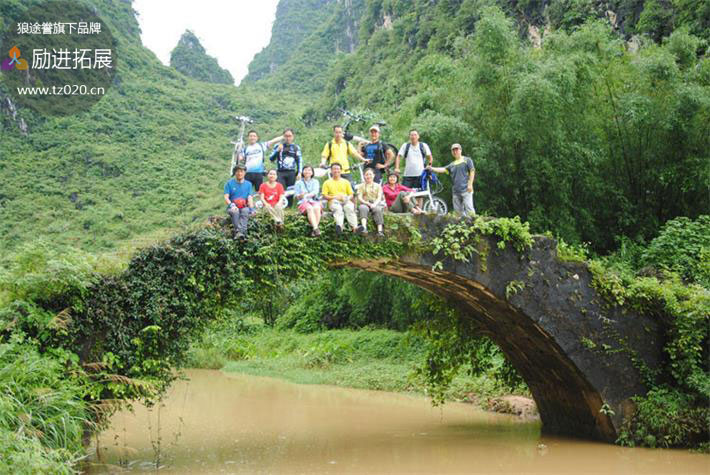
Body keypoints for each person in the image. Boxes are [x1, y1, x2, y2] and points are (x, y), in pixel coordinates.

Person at [427, 143, 476, 216]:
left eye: (457, 149)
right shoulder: (452, 164)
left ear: (460, 150)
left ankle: (474, 225)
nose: (455, 151)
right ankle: (461, 226)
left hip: (466, 190)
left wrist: (470, 184)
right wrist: (431, 168)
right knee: (458, 214)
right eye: (453, 150)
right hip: (456, 192)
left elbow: (472, 171)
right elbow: (443, 169)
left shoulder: (467, 160)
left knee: (469, 210)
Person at [395, 129, 433, 208]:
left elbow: (430, 157)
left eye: (415, 135)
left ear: (418, 136)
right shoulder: (406, 146)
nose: (413, 136)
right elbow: (398, 157)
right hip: (407, 175)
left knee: (420, 195)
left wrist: (429, 166)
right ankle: (409, 211)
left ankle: (419, 212)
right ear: (409, 136)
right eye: (411, 135)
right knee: (405, 194)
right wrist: (397, 168)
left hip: (420, 175)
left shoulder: (423, 145)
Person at [321, 163, 358, 235]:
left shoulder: (346, 182)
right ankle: (340, 227)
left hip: (345, 199)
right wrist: (335, 197)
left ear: (341, 171)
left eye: (338, 169)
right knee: (338, 209)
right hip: (333, 201)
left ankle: (355, 228)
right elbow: (324, 196)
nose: (336, 171)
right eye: (334, 169)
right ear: (331, 171)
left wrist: (347, 198)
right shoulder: (327, 182)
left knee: (349, 207)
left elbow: (351, 194)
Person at [224, 164, 255, 240]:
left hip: (244, 206)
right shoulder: (229, 183)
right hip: (233, 206)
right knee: (235, 211)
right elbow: (226, 197)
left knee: (245, 211)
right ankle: (240, 232)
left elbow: (250, 197)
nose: (239, 173)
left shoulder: (249, 184)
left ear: (244, 173)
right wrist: (232, 205)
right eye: (237, 171)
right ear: (235, 173)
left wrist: (252, 209)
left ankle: (239, 233)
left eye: (241, 171)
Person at [269, 128, 302, 198]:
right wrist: (277, 151)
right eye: (286, 136)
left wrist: (299, 172)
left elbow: (299, 161)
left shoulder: (296, 147)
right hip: (280, 172)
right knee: (281, 191)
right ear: (283, 136)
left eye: (289, 136)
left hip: (291, 172)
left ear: (293, 137)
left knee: (291, 192)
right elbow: (271, 159)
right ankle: (280, 206)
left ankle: (289, 207)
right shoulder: (278, 146)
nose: (288, 138)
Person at [294, 165, 323, 237]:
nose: (307, 171)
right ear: (302, 172)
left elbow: (315, 192)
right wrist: (301, 195)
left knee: (317, 208)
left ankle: (314, 230)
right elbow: (297, 197)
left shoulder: (315, 181)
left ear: (312, 172)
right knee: (309, 208)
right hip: (303, 202)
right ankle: (316, 228)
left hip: (313, 201)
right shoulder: (298, 183)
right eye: (305, 170)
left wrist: (307, 195)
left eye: (309, 170)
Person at [357, 168, 385, 237]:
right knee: (363, 208)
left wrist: (374, 204)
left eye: (370, 174)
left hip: (375, 203)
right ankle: (364, 228)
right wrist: (366, 203)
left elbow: (379, 197)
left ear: (374, 175)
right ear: (364, 176)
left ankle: (380, 231)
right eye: (366, 174)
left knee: (377, 209)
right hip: (365, 202)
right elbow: (359, 197)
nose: (368, 176)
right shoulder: (361, 186)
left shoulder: (378, 186)